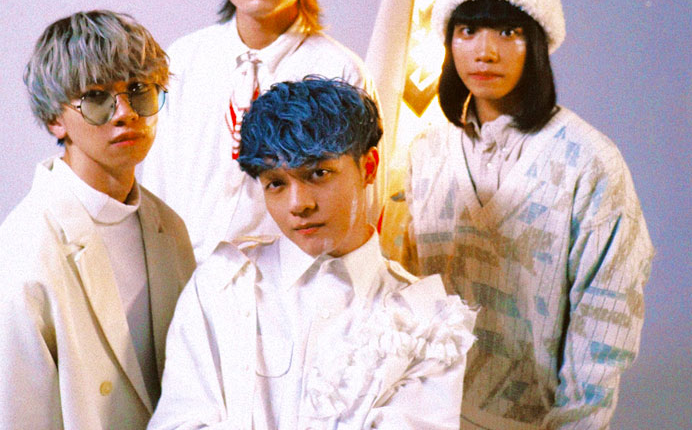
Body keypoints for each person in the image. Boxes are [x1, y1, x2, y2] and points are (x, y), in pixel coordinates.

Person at [400, 0, 654, 430]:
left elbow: (604, 327)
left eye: (508, 31)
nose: (485, 51)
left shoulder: (588, 163)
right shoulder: (425, 154)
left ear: (537, 42)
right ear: (448, 39)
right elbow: (405, 294)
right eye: (468, 30)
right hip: (423, 418)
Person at [149, 78, 475, 430]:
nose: (298, 204)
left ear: (368, 167)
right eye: (276, 183)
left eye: (319, 173)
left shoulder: (425, 321)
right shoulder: (221, 286)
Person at [0, 10, 196, 429]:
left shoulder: (169, 228)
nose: (125, 113)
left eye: (140, 90)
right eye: (96, 98)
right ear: (55, 119)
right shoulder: (17, 258)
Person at [140, 0, 373, 264]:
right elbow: (157, 184)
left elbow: (357, 211)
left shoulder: (339, 71)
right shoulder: (183, 60)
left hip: (291, 283)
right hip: (185, 277)